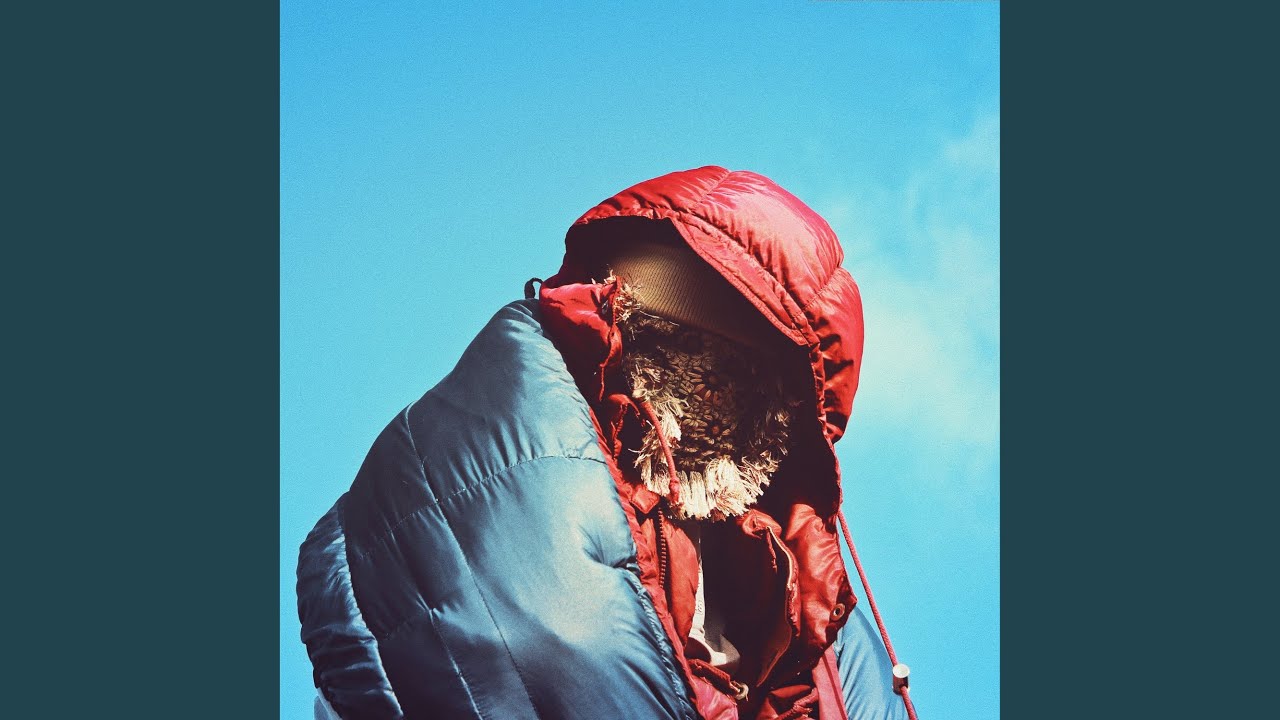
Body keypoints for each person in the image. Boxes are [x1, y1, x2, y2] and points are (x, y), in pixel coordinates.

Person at [297, 166, 914, 720]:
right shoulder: (507, 436)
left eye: (745, 375)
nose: (712, 385)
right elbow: (526, 627)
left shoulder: (819, 621)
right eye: (686, 339)